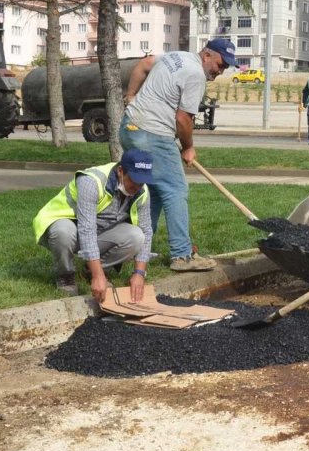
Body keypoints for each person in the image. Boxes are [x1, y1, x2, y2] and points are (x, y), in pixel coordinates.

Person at [120, 39, 236, 272]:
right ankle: (182, 255)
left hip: (130, 128)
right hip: (153, 134)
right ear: (207, 56)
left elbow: (144, 64)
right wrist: (188, 147)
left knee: (154, 191)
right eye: (220, 64)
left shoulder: (176, 56)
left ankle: (139, 248)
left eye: (225, 68)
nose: (220, 71)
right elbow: (183, 119)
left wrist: (131, 95)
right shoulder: (196, 74)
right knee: (176, 189)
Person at [32, 149, 155, 302]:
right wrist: (99, 277)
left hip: (101, 230)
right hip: (69, 227)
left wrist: (139, 273)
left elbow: (146, 231)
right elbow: (86, 229)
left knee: (137, 236)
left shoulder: (142, 191)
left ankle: (91, 270)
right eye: (134, 180)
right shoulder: (91, 181)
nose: (137, 186)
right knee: (63, 232)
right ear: (121, 171)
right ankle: (66, 276)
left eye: (141, 182)